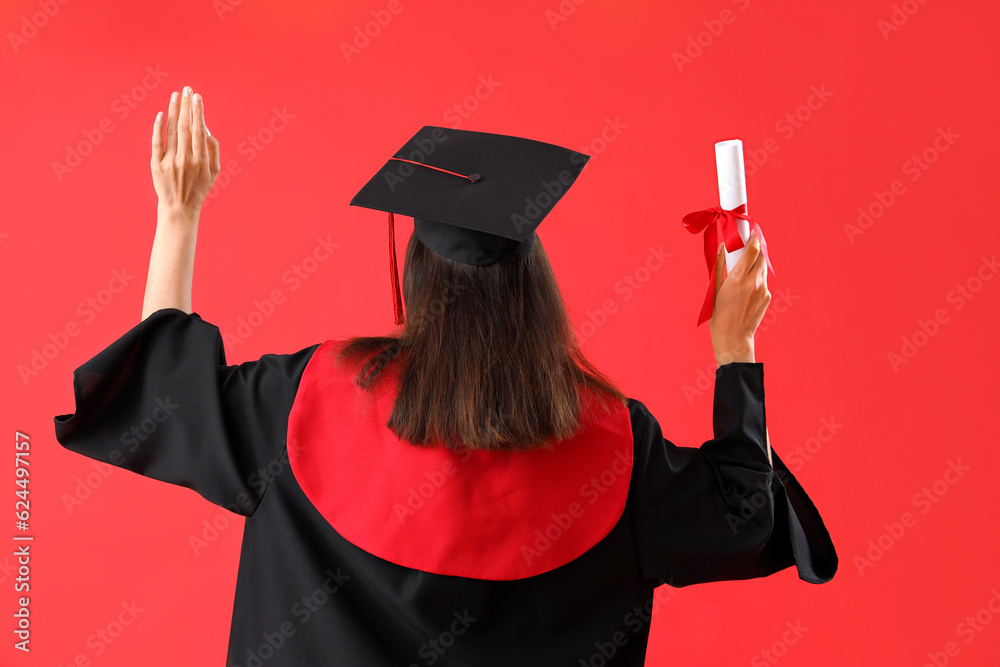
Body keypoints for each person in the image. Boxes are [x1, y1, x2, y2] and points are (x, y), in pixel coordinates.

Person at [53, 86, 837, 667]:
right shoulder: (617, 451)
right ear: (534, 289)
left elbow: (163, 397)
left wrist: (179, 210)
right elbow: (747, 511)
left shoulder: (304, 405)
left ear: (416, 279)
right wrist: (736, 342)